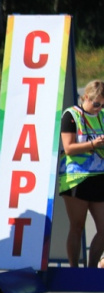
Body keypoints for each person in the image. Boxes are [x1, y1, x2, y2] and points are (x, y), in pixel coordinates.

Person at [57, 80, 104, 267]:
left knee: (103, 229)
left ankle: (92, 269)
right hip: (76, 177)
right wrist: (93, 144)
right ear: (85, 97)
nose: (99, 108)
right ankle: (74, 269)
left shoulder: (101, 115)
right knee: (77, 226)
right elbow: (68, 148)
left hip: (99, 176)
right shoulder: (71, 116)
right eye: (96, 104)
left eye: (103, 104)